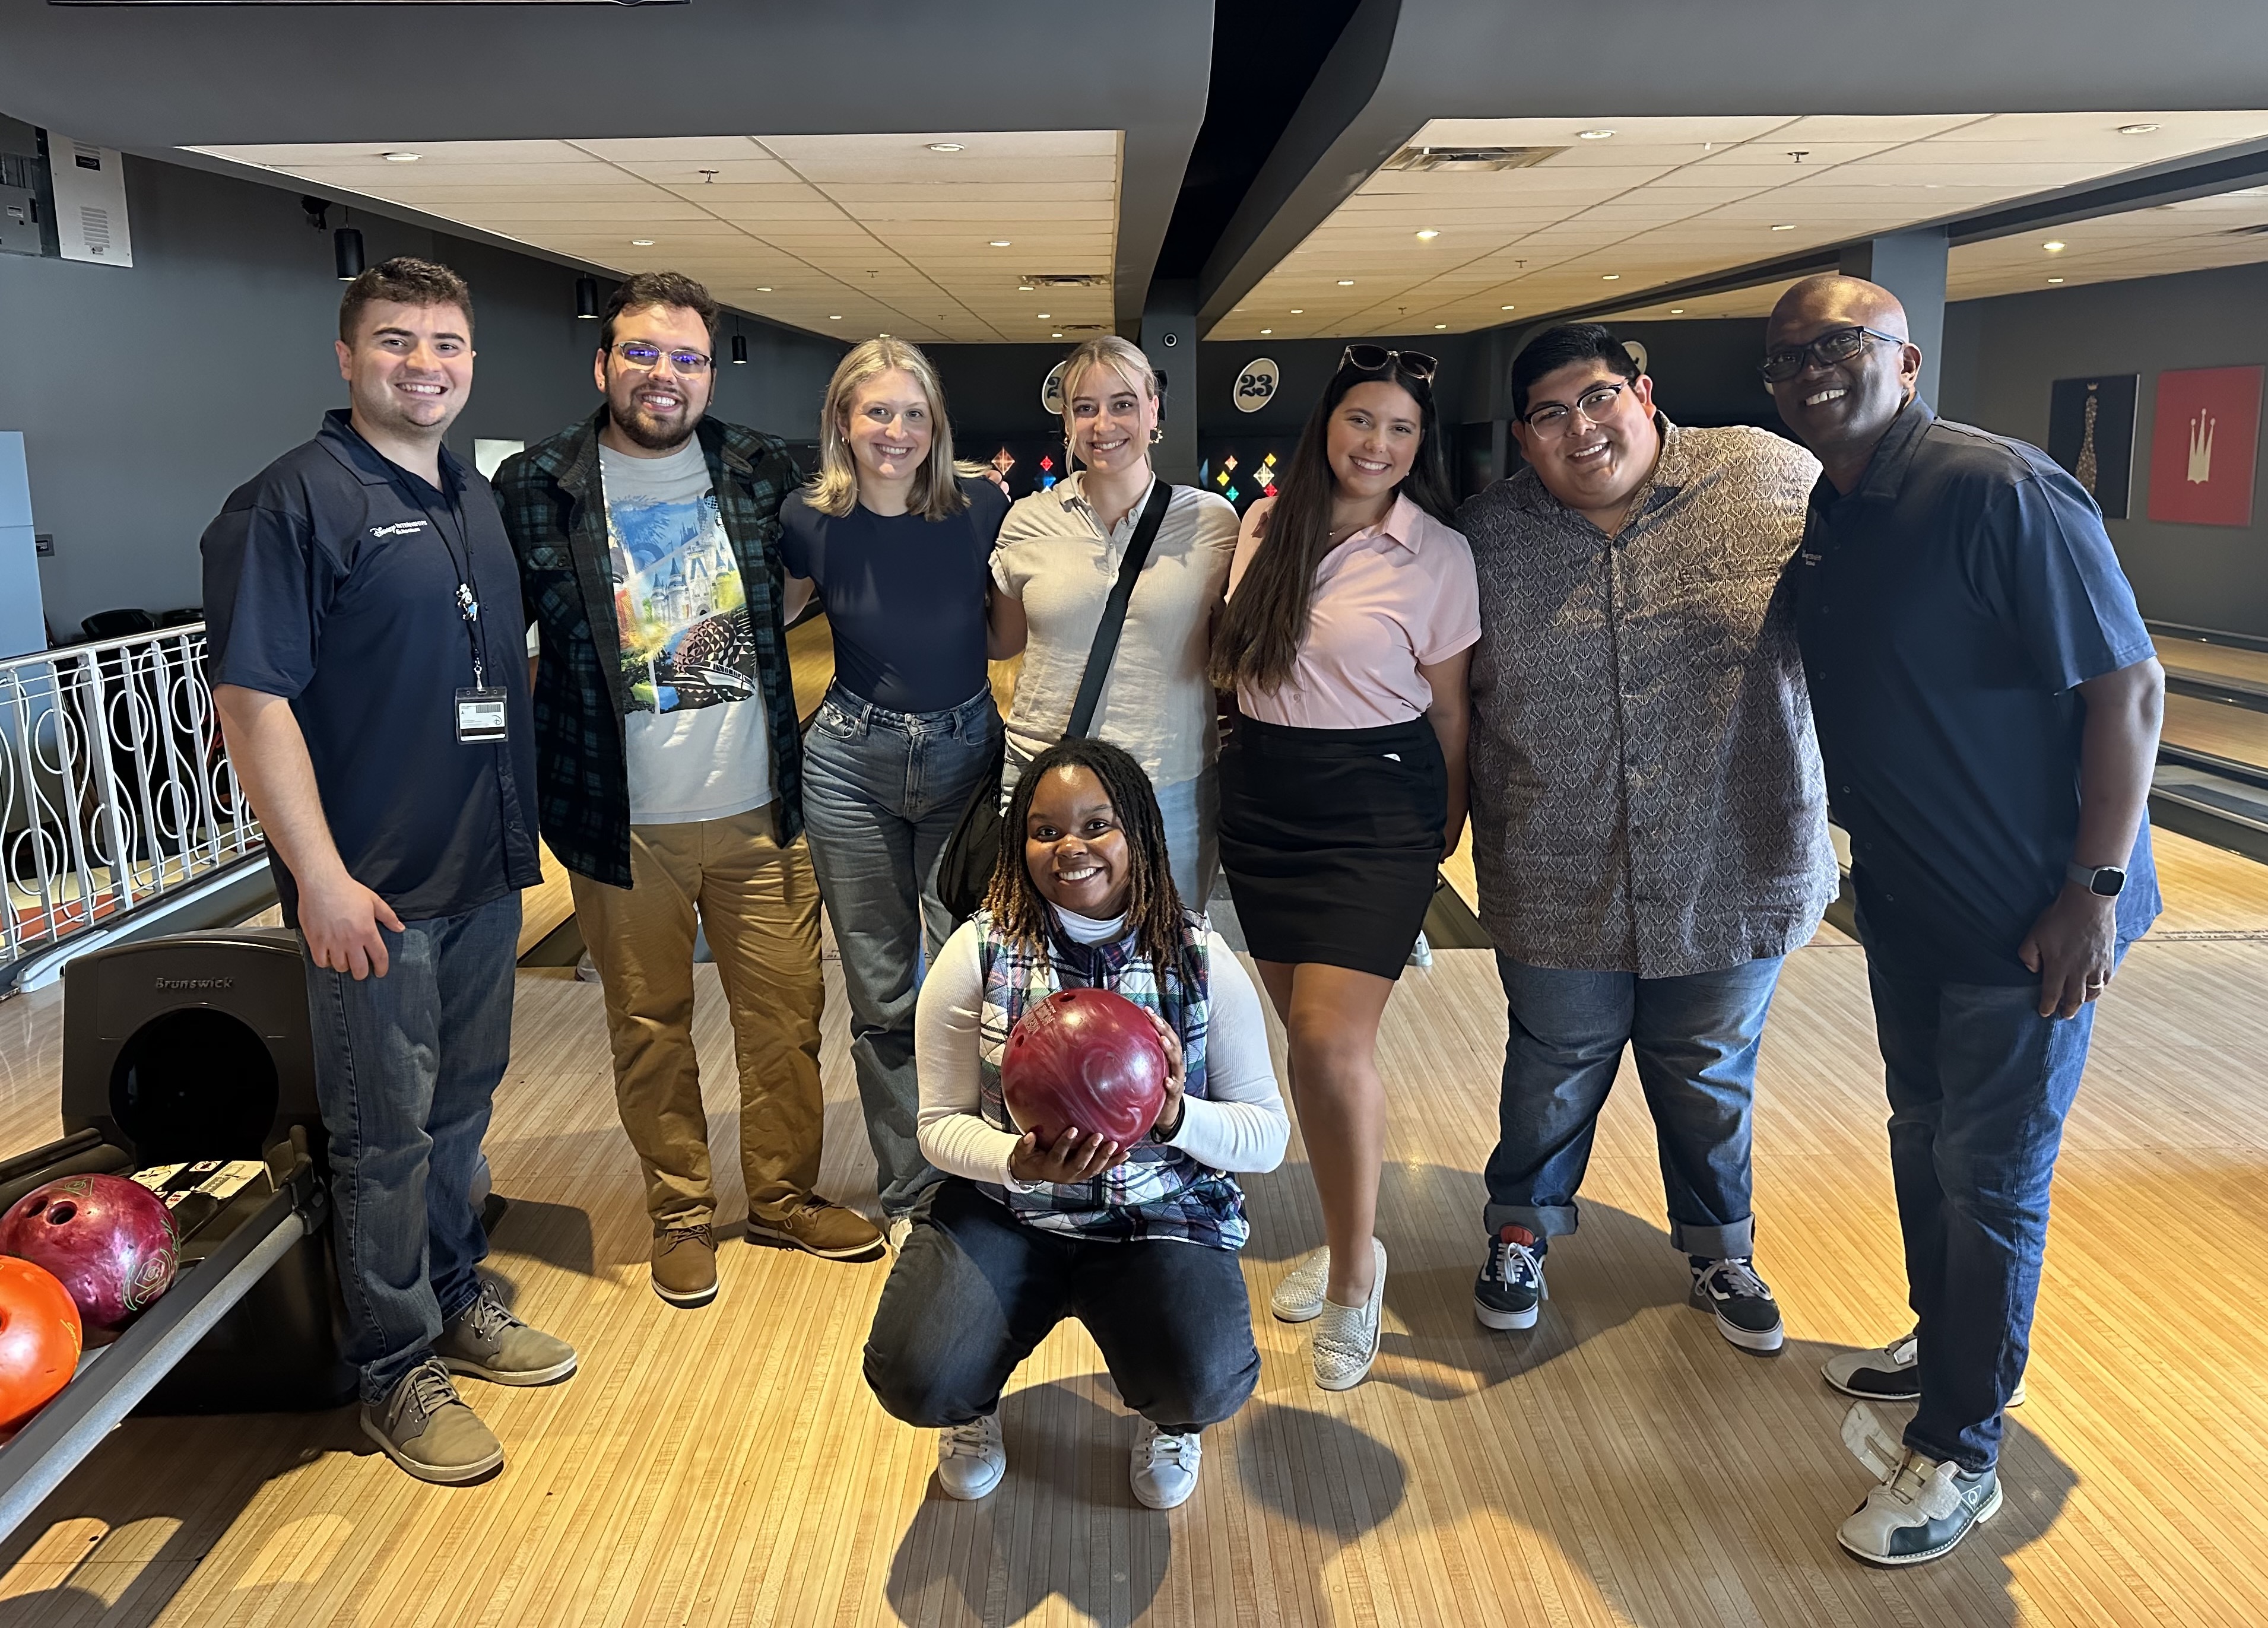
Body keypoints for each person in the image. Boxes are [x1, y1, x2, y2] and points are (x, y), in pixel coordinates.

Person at [1765, 274, 2164, 1566]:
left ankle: (1959, 1449)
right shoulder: (1833, 505)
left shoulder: (1996, 489)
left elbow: (2127, 685)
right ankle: (1943, 1352)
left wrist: (2089, 892)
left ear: (1906, 359)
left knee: (1988, 1178)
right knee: (1924, 1136)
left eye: (1840, 347)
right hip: (1912, 906)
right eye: (1786, 358)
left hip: (2025, 915)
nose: (1810, 370)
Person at [205, 258, 576, 1485]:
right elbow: (251, 703)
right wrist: (315, 877)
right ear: (347, 355)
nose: (426, 363)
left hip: (477, 872)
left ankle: (457, 1292)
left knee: (462, 1106)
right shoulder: (289, 504)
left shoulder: (470, 492)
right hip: (369, 891)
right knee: (383, 1133)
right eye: (397, 341)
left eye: (448, 344)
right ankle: (392, 1366)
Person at [496, 271, 881, 1312]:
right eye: (643, 353)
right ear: (604, 363)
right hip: (621, 822)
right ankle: (677, 1209)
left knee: (785, 1018)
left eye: (687, 357)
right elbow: (497, 640)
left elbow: (815, 582)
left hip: (762, 811)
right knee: (648, 1025)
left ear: (711, 371)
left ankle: (784, 1196)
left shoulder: (762, 470)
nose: (664, 375)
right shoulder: (536, 483)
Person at [1452, 323, 1839, 1356]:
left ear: (1644, 394)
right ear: (1524, 439)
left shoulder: (1768, 477)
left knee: (1708, 1067)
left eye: (1597, 398)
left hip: (1734, 857)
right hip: (1556, 862)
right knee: (1553, 1064)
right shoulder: (1485, 537)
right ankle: (1522, 1229)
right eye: (1548, 414)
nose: (1580, 429)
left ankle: (1721, 1246)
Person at [862, 738, 1288, 1510]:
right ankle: (969, 1408)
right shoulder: (979, 949)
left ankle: (1169, 1420)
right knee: (916, 1374)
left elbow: (1267, 1133)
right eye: (1045, 828)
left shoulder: (1199, 957)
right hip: (1008, 1212)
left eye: (1097, 824)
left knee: (1205, 1376)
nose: (1071, 848)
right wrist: (1015, 1162)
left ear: (1140, 833)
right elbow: (935, 1125)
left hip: (1154, 1215)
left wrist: (1174, 1114)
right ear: (1019, 842)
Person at [1210, 344, 1479, 1391]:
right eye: (1362, 421)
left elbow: (1451, 708)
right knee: (1307, 1046)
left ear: (1421, 446)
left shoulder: (1437, 554)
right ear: (1327, 426)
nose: (1379, 443)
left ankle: (1357, 1275)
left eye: (1401, 429)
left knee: (1328, 1044)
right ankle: (1345, 1227)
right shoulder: (1266, 527)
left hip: (1377, 804)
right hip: (1266, 798)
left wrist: (1442, 826)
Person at [780, 339, 1016, 1251]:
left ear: (936, 424)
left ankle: (987, 1162)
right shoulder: (809, 517)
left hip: (965, 754)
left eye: (913, 414)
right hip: (848, 762)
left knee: (972, 973)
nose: (896, 431)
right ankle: (915, 1193)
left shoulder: (981, 504)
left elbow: (1002, 638)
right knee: (882, 990)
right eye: (877, 412)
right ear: (843, 420)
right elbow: (782, 609)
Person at [989, 337, 1239, 907]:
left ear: (1154, 410)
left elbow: (1234, 648)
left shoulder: (1212, 523)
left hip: (1169, 781)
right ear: (1067, 420)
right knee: (1049, 968)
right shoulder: (1025, 521)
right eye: (1085, 407)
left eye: (1123, 403)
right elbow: (1004, 642)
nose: (1104, 423)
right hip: (1045, 777)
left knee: (1166, 963)